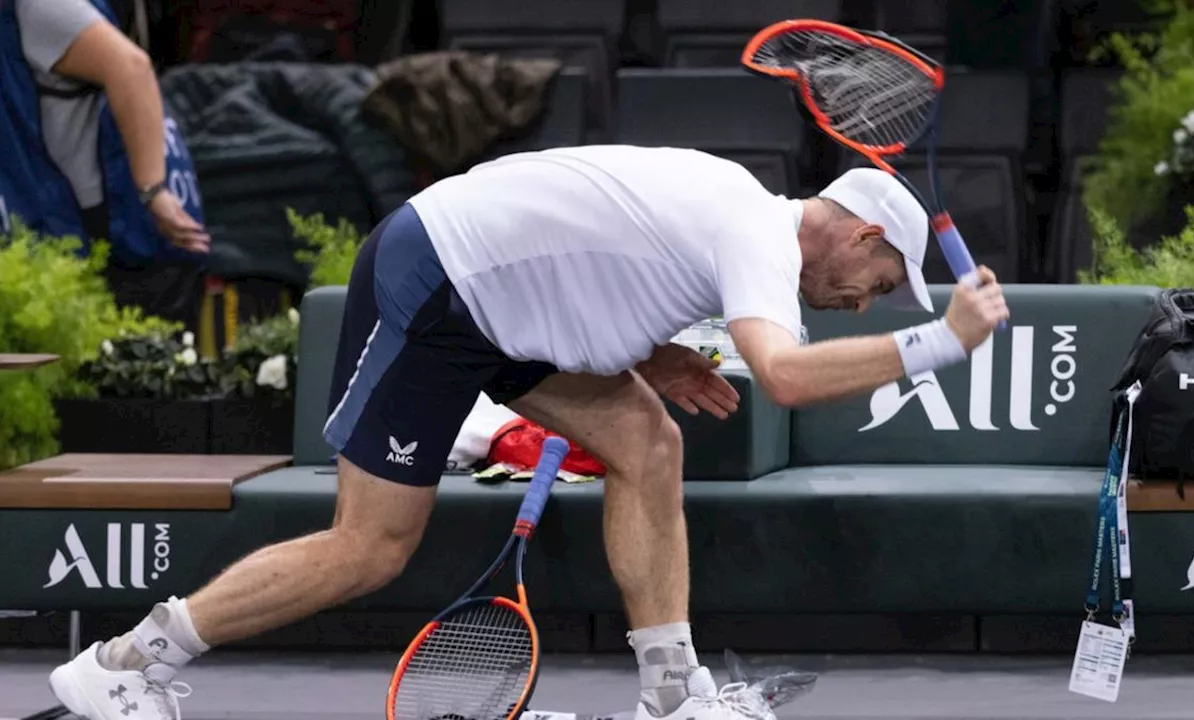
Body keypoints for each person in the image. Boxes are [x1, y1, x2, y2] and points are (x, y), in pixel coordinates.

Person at [48, 145, 1009, 720]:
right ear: (860, 235)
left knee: (648, 440)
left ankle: (672, 691)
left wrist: (652, 351)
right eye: (876, 287)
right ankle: (130, 663)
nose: (857, 304)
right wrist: (943, 339)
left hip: (507, 301)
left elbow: (598, 246)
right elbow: (789, 378)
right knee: (371, 548)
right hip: (438, 280)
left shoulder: (738, 207)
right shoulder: (757, 231)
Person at [0, 0, 211, 331]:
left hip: (127, 238)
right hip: (110, 233)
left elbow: (131, 67)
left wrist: (152, 190)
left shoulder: (40, 6)